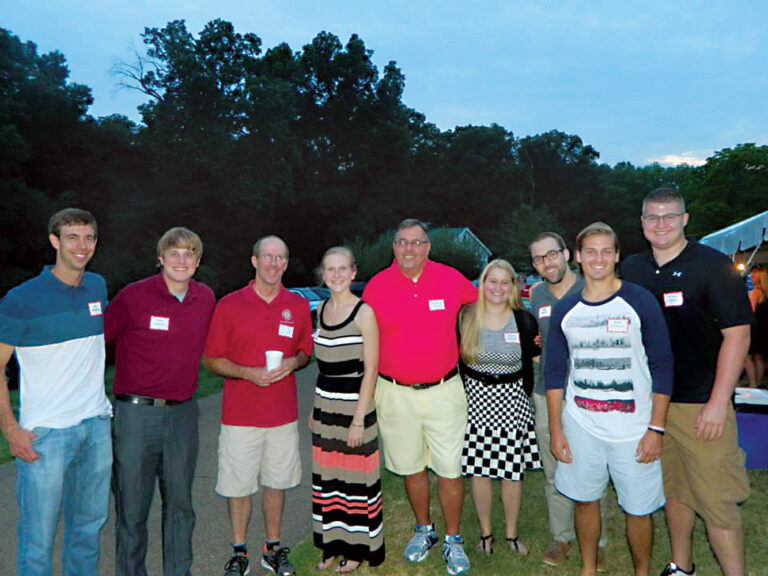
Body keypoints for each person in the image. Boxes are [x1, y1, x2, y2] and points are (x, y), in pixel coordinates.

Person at [621, 188, 752, 576]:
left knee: (717, 500)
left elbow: (738, 335)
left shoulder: (712, 266)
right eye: (652, 217)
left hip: (701, 404)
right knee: (675, 491)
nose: (661, 224)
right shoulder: (632, 269)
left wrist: (718, 401)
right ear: (642, 223)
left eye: (669, 216)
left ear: (685, 219)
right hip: (653, 404)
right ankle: (681, 566)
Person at [546, 222, 674, 576]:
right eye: (590, 251)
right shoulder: (566, 310)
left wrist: (656, 428)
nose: (598, 258)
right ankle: (588, 568)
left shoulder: (639, 301)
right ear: (577, 257)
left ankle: (642, 572)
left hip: (635, 428)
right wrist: (557, 430)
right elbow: (554, 374)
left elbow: (663, 366)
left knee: (639, 508)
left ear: (617, 255)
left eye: (606, 250)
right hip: (582, 426)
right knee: (585, 501)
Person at [0, 208, 113, 576]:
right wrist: (11, 429)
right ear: (54, 241)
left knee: (87, 530)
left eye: (89, 238)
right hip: (45, 434)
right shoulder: (21, 299)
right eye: (72, 237)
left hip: (96, 426)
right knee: (38, 540)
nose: (82, 246)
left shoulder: (97, 286)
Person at [363, 218, 477, 576]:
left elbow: (485, 304)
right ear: (393, 246)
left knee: (450, 469)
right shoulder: (376, 287)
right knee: (411, 467)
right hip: (395, 393)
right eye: (402, 242)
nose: (408, 249)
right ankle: (425, 530)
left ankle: (454, 539)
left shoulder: (449, 278)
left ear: (428, 247)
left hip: (445, 390)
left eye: (416, 243)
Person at [105, 227, 216, 576]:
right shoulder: (133, 296)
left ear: (197, 262)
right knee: (132, 508)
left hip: (183, 415)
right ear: (160, 258)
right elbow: (97, 344)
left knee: (181, 505)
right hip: (136, 415)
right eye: (174, 253)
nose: (181, 260)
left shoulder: (206, 298)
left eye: (188, 254)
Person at [203, 235, 313, 576]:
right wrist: (246, 373)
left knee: (276, 484)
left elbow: (306, 352)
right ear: (254, 261)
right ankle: (239, 552)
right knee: (238, 486)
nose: (273, 264)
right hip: (240, 415)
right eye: (267, 257)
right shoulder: (230, 304)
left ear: (286, 263)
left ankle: (272, 549)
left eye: (280, 258)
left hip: (281, 414)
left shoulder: (295, 305)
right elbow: (210, 359)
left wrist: (294, 364)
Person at [528, 232, 610, 568]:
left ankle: (599, 539)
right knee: (554, 468)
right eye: (538, 258)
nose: (546, 263)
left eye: (551, 254)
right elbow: (534, 341)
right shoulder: (536, 295)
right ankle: (561, 536)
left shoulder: (591, 287)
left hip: (590, 392)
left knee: (594, 467)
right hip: (547, 392)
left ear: (566, 254)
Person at [458, 259, 541, 557]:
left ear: (513, 286)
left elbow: (537, 360)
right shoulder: (466, 317)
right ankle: (486, 534)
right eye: (492, 281)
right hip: (476, 404)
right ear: (483, 283)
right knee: (479, 472)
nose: (498, 288)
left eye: (504, 282)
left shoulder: (524, 320)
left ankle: (510, 534)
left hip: (512, 403)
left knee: (510, 473)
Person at [310, 246, 384, 573]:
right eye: (330, 269)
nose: (337, 274)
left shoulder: (364, 313)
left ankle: (356, 550)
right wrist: (315, 409)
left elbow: (371, 370)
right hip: (325, 407)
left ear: (354, 273)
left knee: (355, 482)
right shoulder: (321, 309)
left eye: (343, 269)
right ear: (323, 274)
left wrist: (358, 420)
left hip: (355, 408)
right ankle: (332, 544)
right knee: (329, 479)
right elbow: (322, 366)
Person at [745, 266, 767, 388]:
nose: (751, 278)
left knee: (747, 357)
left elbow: (750, 310)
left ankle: (752, 384)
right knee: (759, 357)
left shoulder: (755, 293)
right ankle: (758, 383)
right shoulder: (765, 293)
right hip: (764, 327)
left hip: (755, 328)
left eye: (753, 276)